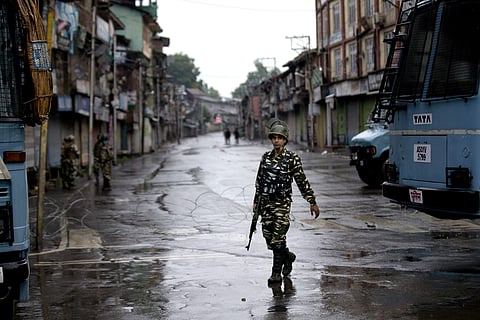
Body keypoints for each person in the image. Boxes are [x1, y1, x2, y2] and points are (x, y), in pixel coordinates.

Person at [253, 119, 320, 285]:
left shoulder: (292, 158)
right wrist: (256, 202)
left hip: (282, 204)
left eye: (280, 138)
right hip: (266, 204)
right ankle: (288, 257)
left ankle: (276, 274)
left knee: (278, 238)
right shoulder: (266, 157)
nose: (276, 140)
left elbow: (301, 180)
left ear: (285, 140)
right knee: (269, 238)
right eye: (274, 137)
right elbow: (259, 180)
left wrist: (311, 200)